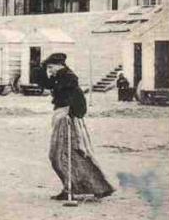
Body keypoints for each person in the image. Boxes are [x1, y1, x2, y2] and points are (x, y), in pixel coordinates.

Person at [35, 53, 114, 200]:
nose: (50, 71)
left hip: (68, 119)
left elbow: (77, 101)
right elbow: (46, 83)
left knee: (63, 154)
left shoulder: (69, 78)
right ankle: (77, 187)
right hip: (63, 117)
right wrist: (39, 69)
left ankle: (78, 188)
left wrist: (70, 113)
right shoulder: (60, 77)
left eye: (51, 67)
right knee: (60, 155)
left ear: (60, 65)